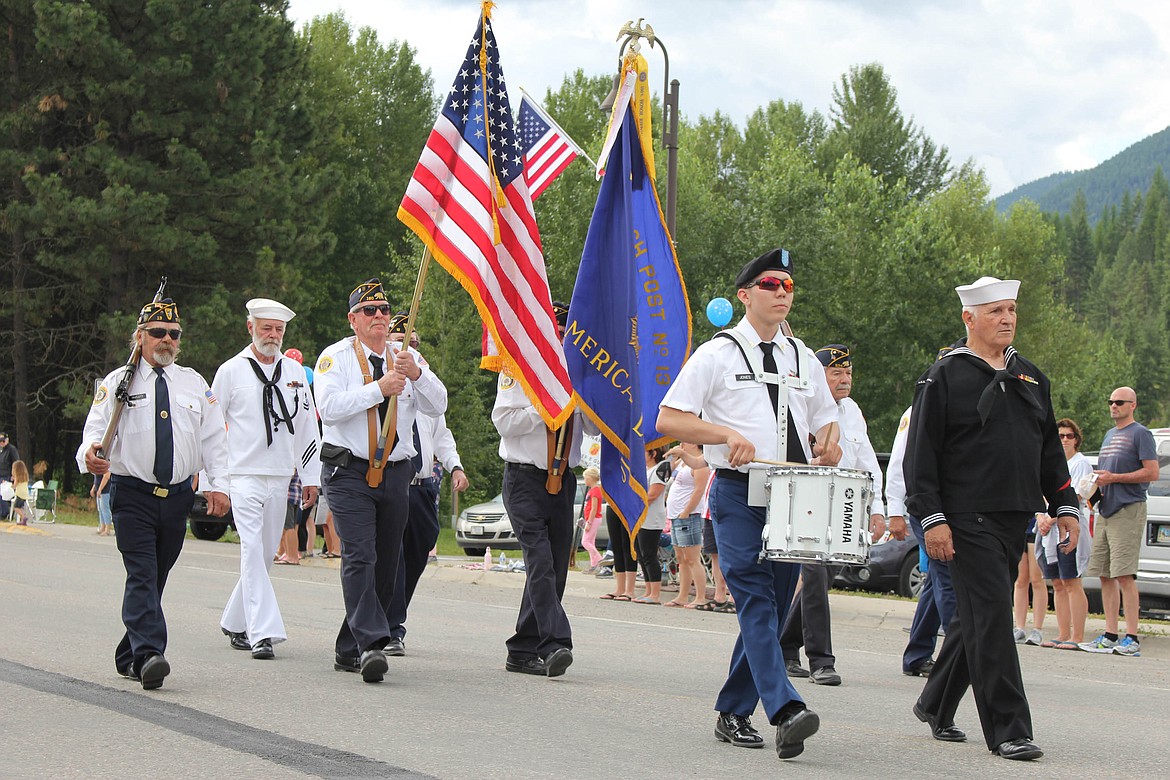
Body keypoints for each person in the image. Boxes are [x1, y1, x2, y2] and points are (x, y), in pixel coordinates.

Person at [658, 248, 841, 761]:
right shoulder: (716, 354)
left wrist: (827, 441)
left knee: (776, 606)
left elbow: (826, 417)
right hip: (739, 491)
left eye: (787, 285)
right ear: (745, 294)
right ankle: (785, 709)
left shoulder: (802, 355)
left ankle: (733, 711)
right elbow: (669, 418)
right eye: (770, 284)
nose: (782, 292)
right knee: (756, 599)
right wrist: (721, 433)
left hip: (792, 495)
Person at [905, 276, 1080, 761]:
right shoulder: (943, 376)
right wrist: (932, 517)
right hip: (964, 517)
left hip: (1015, 515)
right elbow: (921, 455)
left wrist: (1065, 504)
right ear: (970, 318)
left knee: (978, 619)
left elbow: (1048, 450)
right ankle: (1009, 729)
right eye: (996, 311)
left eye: (1011, 310)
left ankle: (935, 702)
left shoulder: (1030, 377)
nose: (1006, 319)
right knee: (994, 620)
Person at [77, 296, 230, 690]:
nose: (166, 340)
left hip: (177, 496)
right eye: (158, 333)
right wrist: (90, 455)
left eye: (173, 334)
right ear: (140, 337)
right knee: (143, 574)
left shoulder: (195, 383)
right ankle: (149, 655)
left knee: (156, 577)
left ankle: (128, 654)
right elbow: (95, 430)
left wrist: (217, 486)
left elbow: (214, 440)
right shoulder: (118, 382)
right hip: (132, 494)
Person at [313, 279, 447, 683]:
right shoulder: (335, 358)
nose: (379, 317)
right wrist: (379, 388)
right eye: (369, 311)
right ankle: (373, 643)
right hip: (349, 472)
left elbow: (438, 404)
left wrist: (417, 375)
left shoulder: (405, 357)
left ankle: (348, 647)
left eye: (384, 311)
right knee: (361, 555)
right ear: (353, 319)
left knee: (388, 565)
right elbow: (329, 408)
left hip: (395, 473)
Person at [213, 298, 321, 660]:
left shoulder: (294, 373)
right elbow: (212, 427)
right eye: (266, 328)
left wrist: (311, 475)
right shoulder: (230, 371)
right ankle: (263, 632)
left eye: (278, 330)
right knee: (251, 548)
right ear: (250, 328)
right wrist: (213, 478)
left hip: (281, 475)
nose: (272, 335)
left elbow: (307, 427)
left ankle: (234, 620)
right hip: (242, 474)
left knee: (265, 555)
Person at [493, 301, 593, 678]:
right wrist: (549, 405)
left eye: (568, 333)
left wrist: (588, 402)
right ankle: (555, 642)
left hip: (562, 479)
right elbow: (504, 422)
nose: (562, 339)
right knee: (541, 562)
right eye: (557, 332)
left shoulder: (580, 375)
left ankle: (522, 648)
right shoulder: (518, 368)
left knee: (556, 568)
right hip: (524, 478)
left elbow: (596, 431)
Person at [781, 344, 886, 687]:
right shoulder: (801, 407)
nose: (844, 380)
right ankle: (821, 660)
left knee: (825, 578)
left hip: (844, 505)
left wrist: (878, 508)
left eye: (848, 373)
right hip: (810, 501)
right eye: (836, 373)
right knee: (814, 576)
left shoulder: (852, 411)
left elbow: (867, 461)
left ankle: (785, 643)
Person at [385, 317, 468, 657]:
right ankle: (391, 627)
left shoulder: (425, 383)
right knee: (396, 556)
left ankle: (392, 615)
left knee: (418, 553)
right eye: (402, 339)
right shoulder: (386, 380)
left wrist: (455, 466)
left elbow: (441, 434)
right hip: (394, 480)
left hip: (424, 484)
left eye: (414, 341)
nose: (410, 346)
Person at [1079, 386, 1158, 657]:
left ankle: (1132, 637)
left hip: (1128, 508)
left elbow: (1152, 472)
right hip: (1106, 509)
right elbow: (1106, 472)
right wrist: (1093, 487)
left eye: (1120, 402)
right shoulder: (1110, 434)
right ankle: (1110, 633)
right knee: (1104, 573)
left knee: (1124, 574)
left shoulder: (1141, 433)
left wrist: (1114, 478)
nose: (1114, 406)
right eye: (1111, 401)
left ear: (1132, 405)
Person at [887, 394, 955, 679]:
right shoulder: (918, 410)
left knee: (937, 582)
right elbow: (900, 461)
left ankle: (917, 655)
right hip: (926, 507)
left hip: (955, 507)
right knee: (949, 577)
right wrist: (894, 510)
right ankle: (963, 654)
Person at [1035, 418, 1093, 650]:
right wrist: (1042, 517)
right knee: (1057, 582)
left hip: (1068, 527)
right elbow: (1041, 493)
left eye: (1069, 436)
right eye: (1060, 436)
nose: (1065, 440)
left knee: (1071, 581)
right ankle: (1062, 632)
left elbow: (1076, 496)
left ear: (1076, 440)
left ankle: (1077, 635)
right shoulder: (1050, 463)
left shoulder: (1081, 464)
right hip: (1049, 529)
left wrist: (1052, 518)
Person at [664, 442, 711, 608]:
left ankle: (700, 596)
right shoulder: (682, 462)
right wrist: (675, 456)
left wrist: (686, 511)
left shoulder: (699, 464)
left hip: (689, 515)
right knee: (681, 558)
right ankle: (682, 595)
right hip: (675, 514)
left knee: (692, 557)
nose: (681, 444)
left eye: (685, 441)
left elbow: (699, 490)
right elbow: (666, 472)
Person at [633, 447, 670, 605]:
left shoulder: (658, 470)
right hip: (641, 518)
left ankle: (655, 593)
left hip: (652, 518)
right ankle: (648, 591)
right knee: (641, 555)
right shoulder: (647, 470)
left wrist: (635, 502)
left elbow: (653, 494)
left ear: (653, 454)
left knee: (649, 554)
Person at [1012, 516, 1048, 646]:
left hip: (1037, 528)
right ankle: (1019, 627)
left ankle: (1037, 629)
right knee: (1020, 580)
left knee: (1037, 579)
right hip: (1020, 527)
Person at [579, 467, 604, 572]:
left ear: (590, 478)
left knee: (585, 542)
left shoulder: (595, 491)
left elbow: (594, 508)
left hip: (593, 519)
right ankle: (594, 565)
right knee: (591, 542)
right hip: (591, 519)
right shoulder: (592, 490)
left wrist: (589, 522)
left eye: (585, 478)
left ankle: (600, 559)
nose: (585, 481)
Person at [0, 432, 20, 518]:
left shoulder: (12, 449)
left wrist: (14, 476)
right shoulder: (1, 450)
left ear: (7, 440)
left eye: (3, 440)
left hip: (7, 476)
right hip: (1, 475)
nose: (1, 442)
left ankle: (6, 513)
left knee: (2, 493)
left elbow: (16, 463)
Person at [9, 459, 33, 525]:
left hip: (20, 494)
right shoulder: (24, 476)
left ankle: (24, 517)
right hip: (25, 494)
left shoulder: (17, 477)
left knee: (16, 508)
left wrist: (11, 485)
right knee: (21, 507)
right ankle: (23, 520)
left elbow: (15, 485)